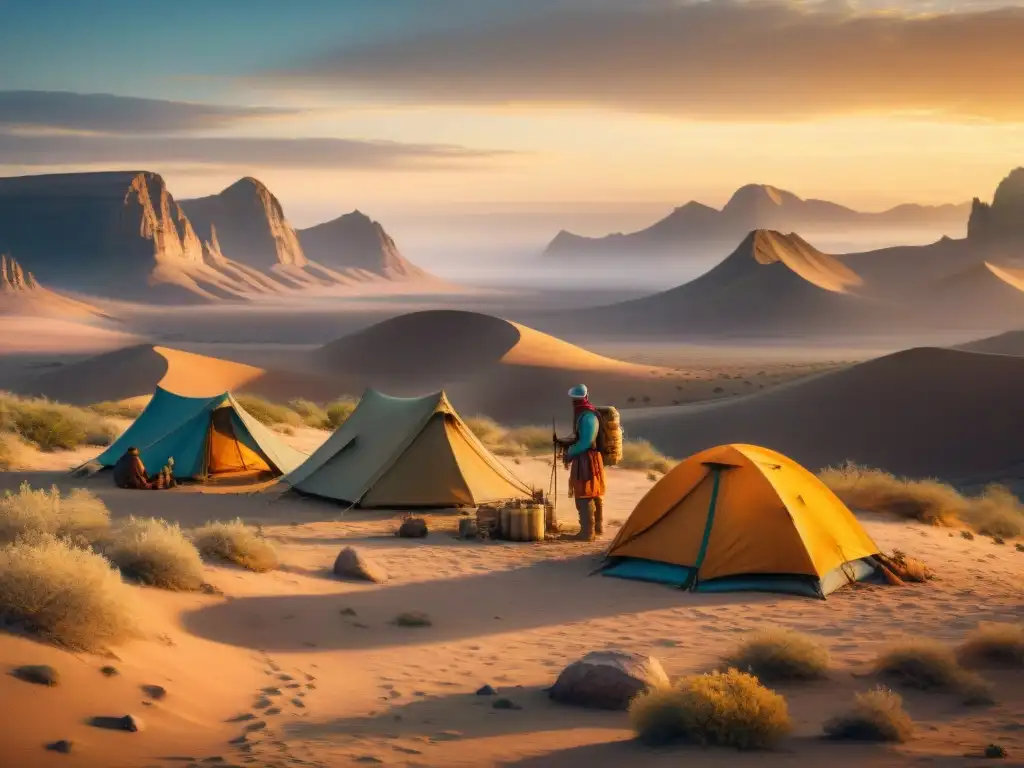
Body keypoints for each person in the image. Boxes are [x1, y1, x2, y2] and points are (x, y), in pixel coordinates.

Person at [555, 384, 606, 541]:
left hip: (587, 459)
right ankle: (596, 527)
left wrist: (569, 453)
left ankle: (587, 532)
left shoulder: (587, 416)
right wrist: (564, 443)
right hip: (589, 457)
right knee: (593, 492)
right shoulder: (585, 414)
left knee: (586, 493)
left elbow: (585, 442)